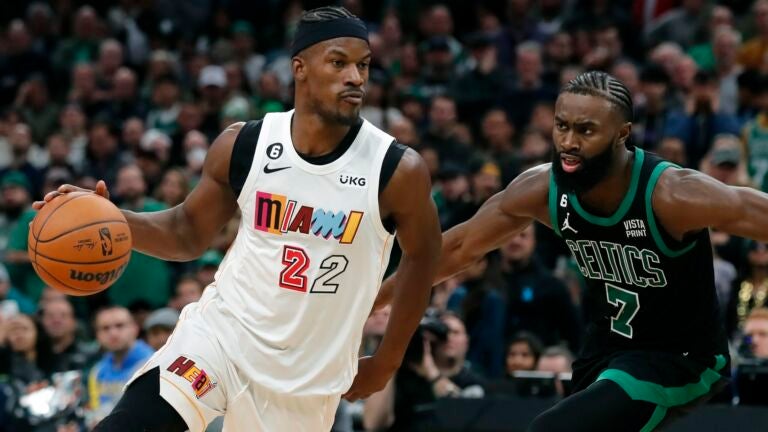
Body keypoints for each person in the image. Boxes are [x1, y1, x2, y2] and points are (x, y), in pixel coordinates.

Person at [35, 6, 440, 432]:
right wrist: (112, 219)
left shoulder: (395, 169)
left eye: (363, 65)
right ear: (300, 68)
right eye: (339, 62)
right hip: (221, 340)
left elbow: (423, 258)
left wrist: (389, 358)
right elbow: (186, 232)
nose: (355, 78)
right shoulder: (246, 144)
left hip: (304, 380)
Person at [377, 70, 768, 431]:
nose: (568, 142)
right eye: (561, 126)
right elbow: (457, 249)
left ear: (622, 134)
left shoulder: (672, 194)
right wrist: (373, 301)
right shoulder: (542, 189)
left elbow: (755, 212)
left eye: (586, 130)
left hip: (680, 358)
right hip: (606, 349)